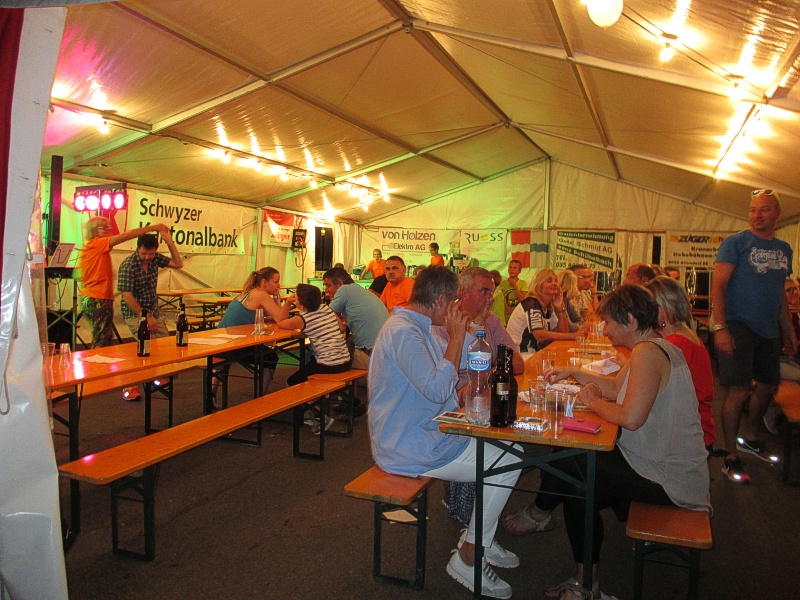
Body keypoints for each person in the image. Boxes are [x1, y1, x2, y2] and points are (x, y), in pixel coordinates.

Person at [503, 285, 710, 600]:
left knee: (571, 465)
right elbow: (615, 387)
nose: (605, 329)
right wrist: (574, 372)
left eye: (609, 322)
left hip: (670, 478)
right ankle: (585, 581)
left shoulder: (648, 353)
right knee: (575, 481)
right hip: (661, 465)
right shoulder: (652, 346)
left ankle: (550, 528)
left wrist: (592, 401)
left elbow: (630, 417)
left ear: (629, 320)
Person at [368, 266, 522, 599]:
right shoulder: (403, 332)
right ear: (440, 300)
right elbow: (439, 388)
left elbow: (467, 359)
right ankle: (470, 554)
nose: (456, 307)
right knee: (508, 460)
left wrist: (472, 326)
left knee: (507, 447)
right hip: (406, 445)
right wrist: (455, 336)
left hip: (427, 430)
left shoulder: (419, 326)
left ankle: (479, 538)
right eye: (453, 301)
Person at [712, 189, 797, 483]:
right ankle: (730, 453)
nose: (757, 216)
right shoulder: (736, 243)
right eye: (752, 210)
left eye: (764, 210)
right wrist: (721, 327)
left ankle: (750, 436)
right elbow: (718, 286)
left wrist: (788, 330)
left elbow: (779, 294)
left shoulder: (784, 249)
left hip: (768, 328)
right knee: (738, 391)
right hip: (738, 324)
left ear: (777, 214)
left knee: (769, 384)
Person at [433, 267, 524, 527]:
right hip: (454, 401)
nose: (490, 298)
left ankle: (481, 515)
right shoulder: (443, 322)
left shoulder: (491, 320)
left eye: (492, 292)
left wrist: (492, 372)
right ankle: (472, 518)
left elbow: (517, 363)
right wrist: (492, 370)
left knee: (508, 430)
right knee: (498, 443)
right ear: (462, 293)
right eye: (484, 291)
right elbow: (444, 381)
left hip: (481, 394)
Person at [646, 276, 719, 453]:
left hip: (686, 435)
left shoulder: (673, 345)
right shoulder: (686, 336)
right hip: (699, 427)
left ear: (663, 309)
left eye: (648, 308)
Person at [79, 217, 168, 348]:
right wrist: (153, 227)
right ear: (93, 230)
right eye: (103, 228)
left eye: (109, 227)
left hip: (88, 297)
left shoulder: (89, 248)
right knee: (101, 342)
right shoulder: (98, 243)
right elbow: (126, 236)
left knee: (102, 337)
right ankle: (96, 360)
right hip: (98, 297)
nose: (108, 230)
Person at [117, 230, 183, 400]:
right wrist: (145, 317)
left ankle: (156, 377)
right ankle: (129, 386)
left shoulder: (155, 259)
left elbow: (178, 263)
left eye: (151, 254)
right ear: (138, 249)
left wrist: (170, 242)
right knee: (143, 347)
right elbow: (127, 296)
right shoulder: (128, 265)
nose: (147, 257)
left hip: (153, 310)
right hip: (135, 313)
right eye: (144, 254)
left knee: (164, 344)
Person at [214, 267, 284, 403]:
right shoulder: (261, 294)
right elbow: (280, 317)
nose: (279, 285)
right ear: (264, 282)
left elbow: (272, 315)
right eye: (276, 282)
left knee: (222, 363)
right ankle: (259, 398)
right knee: (270, 357)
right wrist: (278, 297)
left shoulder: (248, 292)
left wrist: (276, 296)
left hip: (221, 343)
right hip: (234, 346)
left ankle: (211, 394)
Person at [277, 284, 351, 385]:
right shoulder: (326, 308)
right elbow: (341, 328)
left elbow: (280, 322)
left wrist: (288, 302)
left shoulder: (302, 319)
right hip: (346, 362)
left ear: (302, 305)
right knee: (310, 359)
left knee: (290, 382)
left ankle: (311, 394)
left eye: (296, 298)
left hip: (328, 365)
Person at [323, 267, 389, 370]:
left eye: (328, 285)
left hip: (372, 358)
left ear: (339, 283)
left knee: (326, 358)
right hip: (387, 355)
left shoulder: (344, 289)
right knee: (348, 341)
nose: (327, 290)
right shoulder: (359, 290)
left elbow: (326, 316)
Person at [506, 269, 580, 353]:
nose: (555, 283)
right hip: (519, 353)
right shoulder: (531, 303)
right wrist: (572, 336)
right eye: (549, 281)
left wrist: (560, 309)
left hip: (535, 352)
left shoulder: (548, 306)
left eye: (556, 280)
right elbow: (539, 335)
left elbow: (562, 332)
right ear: (539, 285)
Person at [497, 260, 527, 324]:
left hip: (519, 316)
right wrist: (505, 307)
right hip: (506, 316)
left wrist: (514, 285)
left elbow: (522, 299)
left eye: (515, 268)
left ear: (519, 271)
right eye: (510, 267)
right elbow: (500, 298)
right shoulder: (503, 283)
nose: (512, 269)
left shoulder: (523, 283)